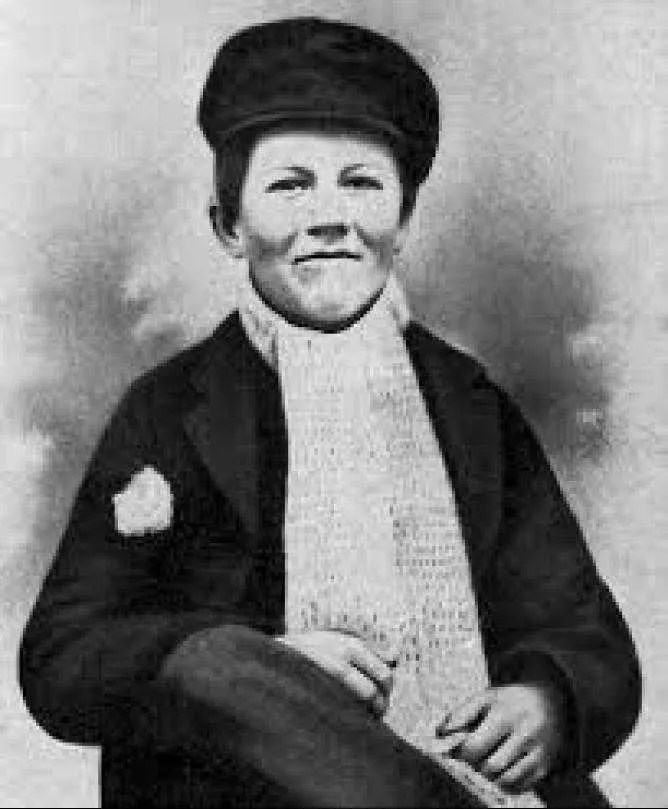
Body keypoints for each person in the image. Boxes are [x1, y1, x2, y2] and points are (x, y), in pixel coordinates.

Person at [19, 16, 640, 809]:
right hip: (238, 790)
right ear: (229, 225)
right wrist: (257, 669)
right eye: (290, 185)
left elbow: (584, 629)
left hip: (476, 774)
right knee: (222, 666)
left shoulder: (472, 406)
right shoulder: (171, 410)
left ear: (403, 221)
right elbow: (62, 656)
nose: (329, 216)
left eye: (361, 184)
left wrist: (548, 698)